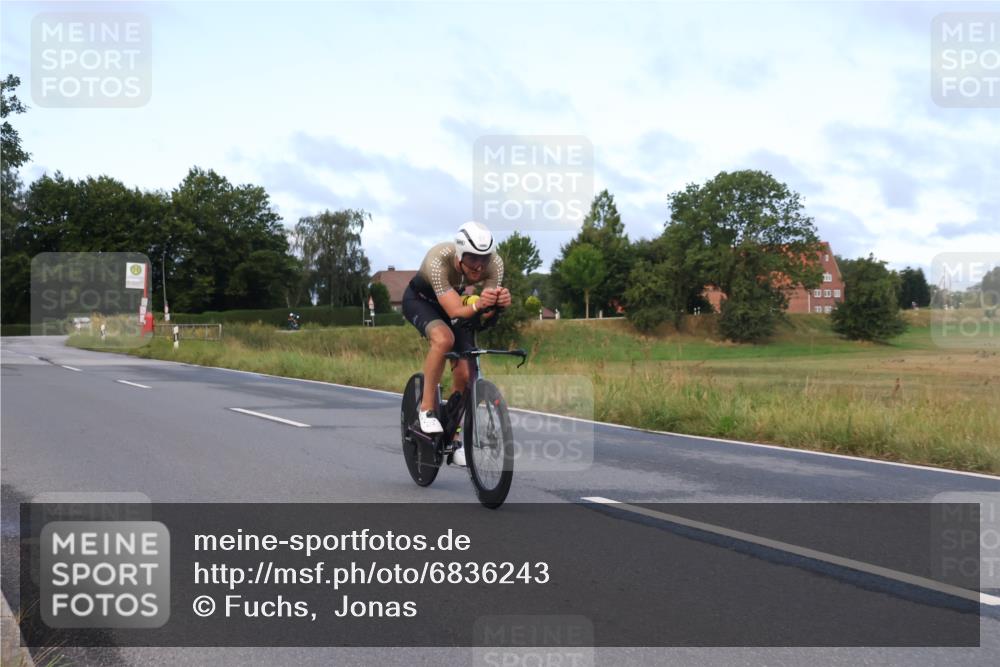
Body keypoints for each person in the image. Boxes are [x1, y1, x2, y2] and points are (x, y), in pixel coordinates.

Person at [402, 222, 511, 465]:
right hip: (421, 301)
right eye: (472, 258)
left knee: (464, 371)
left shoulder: (495, 264)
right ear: (460, 255)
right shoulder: (438, 259)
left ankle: (453, 438)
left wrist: (498, 305)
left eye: (484, 257)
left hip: (458, 304)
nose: (479, 265)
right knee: (444, 339)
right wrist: (479, 305)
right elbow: (454, 310)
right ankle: (426, 410)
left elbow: (484, 313)